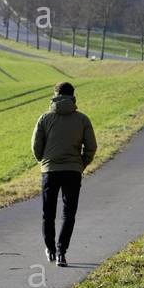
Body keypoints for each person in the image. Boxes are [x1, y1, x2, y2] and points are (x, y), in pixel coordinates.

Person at [31, 81, 98, 266]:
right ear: (73, 96)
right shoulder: (82, 119)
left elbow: (36, 146)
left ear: (55, 95)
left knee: (48, 213)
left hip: (49, 172)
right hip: (73, 172)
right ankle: (62, 252)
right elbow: (91, 147)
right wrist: (81, 164)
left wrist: (44, 162)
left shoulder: (44, 118)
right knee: (69, 214)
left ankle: (50, 250)